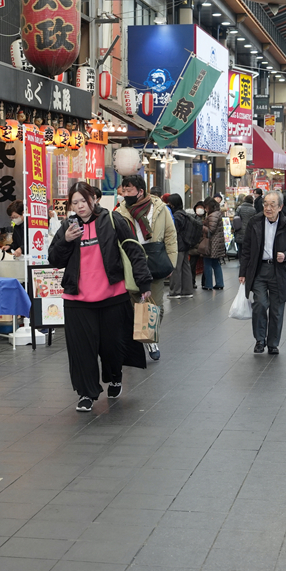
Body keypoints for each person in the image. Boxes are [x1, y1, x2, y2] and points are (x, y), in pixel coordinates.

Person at [48, 182, 152, 413]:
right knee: (81, 350)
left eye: (83, 201)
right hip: (77, 300)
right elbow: (54, 260)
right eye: (74, 203)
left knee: (112, 346)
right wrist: (65, 240)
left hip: (112, 296)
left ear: (93, 199)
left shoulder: (113, 220)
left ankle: (115, 377)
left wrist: (144, 281)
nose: (80, 206)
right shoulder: (67, 226)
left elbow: (134, 250)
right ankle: (86, 393)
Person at [117, 175, 177, 362]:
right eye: (123, 190)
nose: (125, 194)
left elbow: (170, 235)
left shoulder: (159, 208)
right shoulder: (120, 212)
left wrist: (171, 262)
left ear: (140, 191)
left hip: (154, 259)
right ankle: (134, 340)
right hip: (130, 261)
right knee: (133, 304)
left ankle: (150, 339)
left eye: (129, 190)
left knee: (155, 306)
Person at [238, 191, 286, 354]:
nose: (268, 208)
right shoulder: (255, 222)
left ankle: (273, 343)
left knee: (277, 309)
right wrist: (243, 271)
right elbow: (246, 248)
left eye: (272, 205)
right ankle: (260, 340)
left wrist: (285, 255)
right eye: (265, 204)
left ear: (280, 207)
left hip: (279, 270)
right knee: (259, 304)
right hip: (259, 269)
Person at [168, 194, 195, 299]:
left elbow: (174, 231)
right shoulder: (184, 214)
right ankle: (187, 290)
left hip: (178, 245)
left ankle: (175, 291)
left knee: (176, 268)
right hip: (186, 244)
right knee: (185, 267)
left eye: (169, 203)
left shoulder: (177, 216)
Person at [201, 197, 226, 290]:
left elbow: (210, 230)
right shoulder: (217, 213)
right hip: (217, 242)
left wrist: (201, 226)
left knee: (207, 263)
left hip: (212, 243)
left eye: (206, 207)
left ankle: (208, 284)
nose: (205, 209)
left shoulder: (212, 215)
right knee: (216, 263)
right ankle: (219, 283)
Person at [190, 201, 206, 289]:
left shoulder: (207, 219)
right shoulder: (192, 218)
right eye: (198, 207)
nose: (199, 209)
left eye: (201, 207)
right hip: (195, 246)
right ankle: (192, 282)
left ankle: (205, 282)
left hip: (204, 245)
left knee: (206, 265)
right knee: (192, 265)